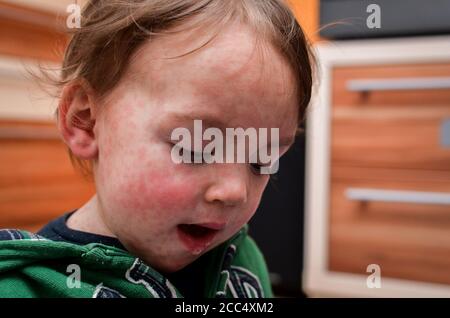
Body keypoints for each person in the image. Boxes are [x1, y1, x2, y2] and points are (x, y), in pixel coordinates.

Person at [0, 0, 313, 298]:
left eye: (261, 158)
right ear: (85, 121)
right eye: (196, 147)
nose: (235, 191)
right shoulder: (25, 286)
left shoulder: (243, 257)